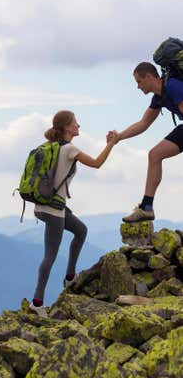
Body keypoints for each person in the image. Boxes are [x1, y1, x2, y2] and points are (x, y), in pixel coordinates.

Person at [29, 110, 119, 317]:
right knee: (49, 256)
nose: (79, 126)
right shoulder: (69, 149)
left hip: (44, 206)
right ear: (67, 127)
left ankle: (70, 277)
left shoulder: (49, 147)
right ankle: (37, 302)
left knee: (81, 230)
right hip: (53, 211)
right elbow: (97, 163)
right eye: (76, 123)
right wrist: (111, 144)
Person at [116, 62, 183, 222]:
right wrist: (119, 137)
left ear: (149, 77)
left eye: (139, 81)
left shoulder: (173, 86)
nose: (138, 87)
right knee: (155, 155)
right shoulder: (159, 97)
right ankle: (147, 207)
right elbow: (143, 124)